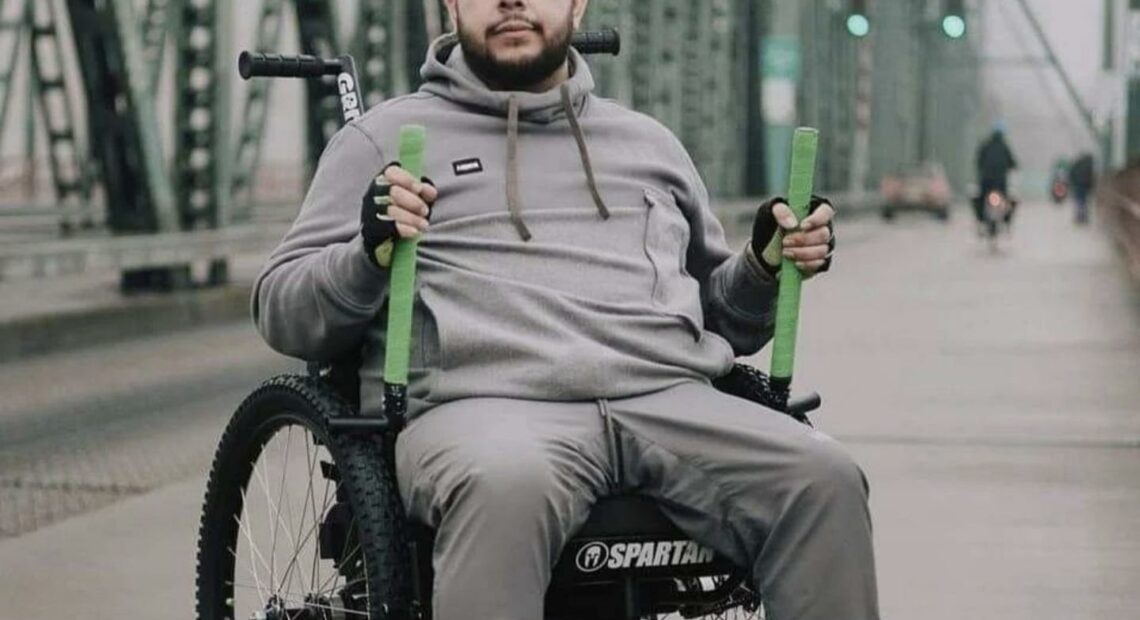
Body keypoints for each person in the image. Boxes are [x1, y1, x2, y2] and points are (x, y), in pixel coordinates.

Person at [252, 1, 877, 619]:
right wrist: (368, 252)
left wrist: (763, 265)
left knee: (823, 478)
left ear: (577, 7)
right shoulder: (382, 142)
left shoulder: (649, 144)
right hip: (481, 408)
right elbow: (283, 311)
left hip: (665, 398)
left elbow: (720, 324)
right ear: (450, 7)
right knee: (505, 486)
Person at [974, 122, 1019, 231]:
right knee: (1008, 200)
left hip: (986, 182)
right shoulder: (1005, 147)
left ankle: (980, 220)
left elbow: (978, 161)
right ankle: (1007, 221)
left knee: (979, 199)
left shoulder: (985, 145)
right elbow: (1013, 163)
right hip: (1000, 183)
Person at [1069, 152, 1095, 225]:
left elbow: (1072, 174)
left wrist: (1073, 184)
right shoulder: (1089, 166)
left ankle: (1079, 217)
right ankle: (1084, 217)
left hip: (1078, 186)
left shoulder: (1077, 165)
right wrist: (1091, 187)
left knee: (1079, 202)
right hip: (1085, 187)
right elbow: (1092, 178)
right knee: (1085, 202)